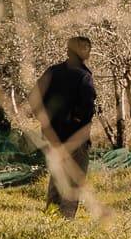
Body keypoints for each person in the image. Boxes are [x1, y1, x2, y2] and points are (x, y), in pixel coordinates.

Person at [36, 35, 97, 218]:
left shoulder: (53, 72)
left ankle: (51, 215)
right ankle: (66, 219)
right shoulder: (84, 77)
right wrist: (77, 120)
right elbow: (88, 107)